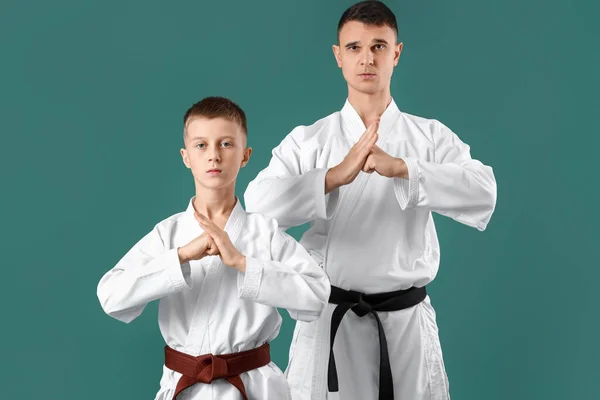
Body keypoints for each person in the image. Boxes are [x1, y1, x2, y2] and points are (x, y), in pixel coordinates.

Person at [243, 1, 497, 399]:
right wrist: (332, 178)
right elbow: (257, 207)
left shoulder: (427, 138)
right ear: (338, 56)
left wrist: (404, 169)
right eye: (355, 47)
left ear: (396, 53)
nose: (367, 58)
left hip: (405, 326)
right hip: (329, 322)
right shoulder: (309, 140)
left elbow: (483, 191)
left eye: (379, 46)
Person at [97, 96, 331, 400]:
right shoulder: (169, 235)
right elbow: (111, 296)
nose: (213, 156)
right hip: (184, 387)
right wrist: (181, 257)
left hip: (254, 388)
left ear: (245, 155)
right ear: (185, 156)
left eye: (226, 144)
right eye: (201, 145)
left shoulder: (265, 234)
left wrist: (243, 263)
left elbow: (316, 295)